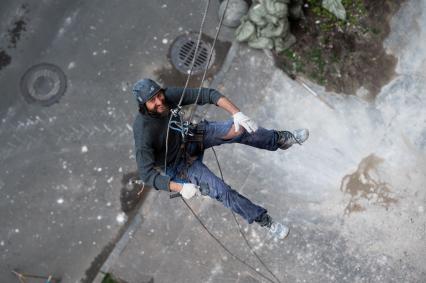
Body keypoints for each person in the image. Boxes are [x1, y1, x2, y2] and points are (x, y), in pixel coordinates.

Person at [132, 78, 309, 239]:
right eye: (152, 101)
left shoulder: (168, 96)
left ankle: (278, 139)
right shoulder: (143, 132)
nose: (159, 101)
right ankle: (264, 220)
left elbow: (208, 94)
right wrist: (180, 187)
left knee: (239, 129)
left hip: (190, 136)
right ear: (143, 106)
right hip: (178, 165)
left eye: (158, 95)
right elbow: (146, 175)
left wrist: (237, 114)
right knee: (222, 191)